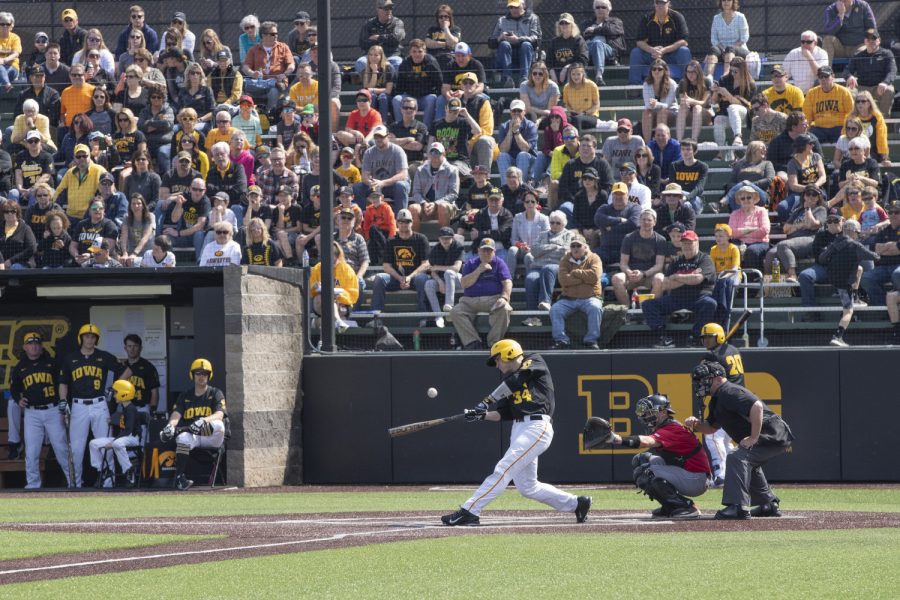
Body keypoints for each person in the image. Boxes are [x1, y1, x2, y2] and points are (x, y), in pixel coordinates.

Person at [441, 339, 591, 525]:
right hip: (519, 429)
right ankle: (576, 504)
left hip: (536, 427)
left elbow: (516, 380)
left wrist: (486, 401)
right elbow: (503, 413)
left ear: (509, 353)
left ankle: (470, 510)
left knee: (503, 468)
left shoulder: (533, 360)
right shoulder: (506, 382)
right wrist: (481, 415)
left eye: (497, 359)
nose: (497, 365)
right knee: (528, 487)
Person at [686, 360, 794, 519]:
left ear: (717, 378)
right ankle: (768, 504)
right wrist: (695, 425)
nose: (700, 384)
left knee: (736, 457)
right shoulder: (717, 399)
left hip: (772, 432)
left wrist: (753, 438)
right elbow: (711, 428)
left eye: (703, 380)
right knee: (747, 462)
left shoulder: (729, 391)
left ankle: (738, 506)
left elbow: (756, 406)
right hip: (770, 432)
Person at [606, 394, 710, 518]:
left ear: (662, 412)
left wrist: (617, 439)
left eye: (650, 412)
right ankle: (669, 505)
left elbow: (647, 442)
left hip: (696, 479)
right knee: (640, 460)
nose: (645, 416)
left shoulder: (673, 428)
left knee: (646, 472)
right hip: (687, 471)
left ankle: (685, 506)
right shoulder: (665, 426)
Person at [59, 324, 132, 488]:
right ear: (81, 338)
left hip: (99, 404)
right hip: (78, 405)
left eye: (93, 337)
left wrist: (114, 388)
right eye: (86, 336)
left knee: (106, 444)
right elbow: (63, 383)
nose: (90, 339)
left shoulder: (103, 356)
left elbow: (127, 371)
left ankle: (108, 482)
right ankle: (75, 484)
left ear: (96, 339)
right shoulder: (71, 358)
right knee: (76, 449)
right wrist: (63, 400)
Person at [10, 331, 73, 489]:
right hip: (32, 413)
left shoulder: (51, 363)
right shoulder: (20, 367)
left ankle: (74, 482)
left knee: (61, 448)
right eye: (30, 343)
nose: (34, 346)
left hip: (52, 410)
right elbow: (14, 388)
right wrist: (18, 399)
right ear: (25, 347)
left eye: (37, 343)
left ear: (41, 346)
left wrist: (62, 406)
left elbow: (62, 383)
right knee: (32, 452)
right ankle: (33, 485)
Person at [642, 229, 717, 347]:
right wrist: (689, 278)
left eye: (689, 243)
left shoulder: (705, 259)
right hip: (676, 298)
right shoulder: (677, 260)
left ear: (697, 243)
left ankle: (695, 336)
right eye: (684, 243)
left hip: (699, 297)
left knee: (710, 304)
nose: (686, 246)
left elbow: (698, 279)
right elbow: (666, 284)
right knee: (648, 304)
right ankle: (663, 337)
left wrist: (677, 277)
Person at [161, 358, 226, 491]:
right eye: (198, 373)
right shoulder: (185, 395)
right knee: (183, 437)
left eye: (204, 373)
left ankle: (181, 430)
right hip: (194, 437)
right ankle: (179, 478)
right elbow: (176, 414)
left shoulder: (215, 393)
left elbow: (220, 414)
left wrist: (203, 420)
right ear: (192, 375)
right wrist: (170, 426)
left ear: (209, 375)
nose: (201, 376)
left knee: (219, 425)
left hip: (211, 438)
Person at [820, 218, 879, 346]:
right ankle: (837, 336)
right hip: (844, 283)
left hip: (832, 278)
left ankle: (856, 297)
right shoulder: (856, 245)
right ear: (852, 232)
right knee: (848, 311)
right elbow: (874, 257)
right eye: (857, 233)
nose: (858, 235)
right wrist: (882, 251)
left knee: (859, 268)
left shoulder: (835, 242)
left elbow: (822, 258)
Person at [698, 322, 743, 486]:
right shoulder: (733, 350)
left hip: (725, 399)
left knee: (713, 436)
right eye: (704, 338)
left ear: (719, 337)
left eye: (710, 338)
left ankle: (721, 475)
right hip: (739, 398)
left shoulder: (713, 356)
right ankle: (733, 472)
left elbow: (704, 376)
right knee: (723, 439)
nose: (706, 342)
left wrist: (707, 360)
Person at [449, 238, 512, 350]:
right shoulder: (471, 263)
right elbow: (464, 284)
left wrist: (504, 297)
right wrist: (479, 270)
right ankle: (473, 342)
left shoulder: (499, 263)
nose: (487, 253)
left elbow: (507, 282)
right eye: (484, 250)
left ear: (494, 251)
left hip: (493, 300)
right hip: (470, 301)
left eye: (489, 250)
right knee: (455, 311)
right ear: (478, 251)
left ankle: (494, 344)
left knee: (505, 309)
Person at [549, 235, 604, 349]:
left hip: (590, 297)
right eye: (572, 246)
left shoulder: (594, 258)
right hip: (569, 299)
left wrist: (575, 272)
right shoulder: (565, 259)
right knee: (555, 309)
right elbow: (563, 280)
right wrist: (584, 278)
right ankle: (561, 340)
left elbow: (594, 276)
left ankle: (591, 340)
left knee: (595, 307)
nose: (575, 248)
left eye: (578, 245)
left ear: (585, 247)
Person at [371, 208, 430, 312]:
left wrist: (409, 277)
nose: (403, 224)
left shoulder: (421, 239)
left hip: (414, 279)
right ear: (397, 223)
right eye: (401, 221)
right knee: (380, 278)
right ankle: (376, 316)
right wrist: (400, 278)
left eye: (407, 221)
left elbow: (426, 264)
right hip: (396, 278)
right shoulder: (391, 241)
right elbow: (386, 266)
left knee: (422, 279)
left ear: (412, 222)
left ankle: (424, 316)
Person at [87, 380, 142, 488]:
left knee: (117, 444)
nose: (114, 395)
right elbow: (122, 423)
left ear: (124, 393)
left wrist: (113, 442)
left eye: (116, 392)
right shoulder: (124, 408)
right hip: (123, 437)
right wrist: (113, 420)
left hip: (133, 437)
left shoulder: (131, 409)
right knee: (93, 443)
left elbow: (129, 430)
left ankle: (128, 471)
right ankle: (103, 470)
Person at [611, 208, 668, 305]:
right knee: (616, 278)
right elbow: (623, 263)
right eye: (643, 219)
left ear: (654, 222)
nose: (646, 222)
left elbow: (659, 265)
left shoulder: (661, 240)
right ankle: (626, 311)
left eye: (649, 220)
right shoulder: (629, 238)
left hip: (650, 275)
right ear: (639, 221)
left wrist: (643, 274)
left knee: (660, 279)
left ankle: (650, 309)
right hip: (631, 274)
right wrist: (629, 273)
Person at [628, 0, 692, 84]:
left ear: (668, 3)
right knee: (635, 52)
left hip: (671, 55)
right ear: (654, 3)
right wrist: (652, 50)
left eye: (663, 3)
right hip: (652, 55)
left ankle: (686, 85)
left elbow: (684, 41)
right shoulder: (646, 18)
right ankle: (634, 87)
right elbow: (639, 41)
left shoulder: (677, 17)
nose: (660, 5)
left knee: (684, 51)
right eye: (658, 2)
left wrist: (664, 50)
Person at [241, 21, 295, 114]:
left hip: (277, 84)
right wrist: (252, 73)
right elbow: (245, 67)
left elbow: (291, 65)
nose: (276, 36)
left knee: (273, 92)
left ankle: (270, 115)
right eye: (273, 34)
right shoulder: (253, 50)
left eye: (276, 33)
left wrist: (284, 74)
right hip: (259, 83)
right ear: (264, 35)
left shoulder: (284, 47)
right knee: (245, 92)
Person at [488, 0, 542, 88]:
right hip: (507, 55)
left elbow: (537, 39)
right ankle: (507, 79)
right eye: (511, 7)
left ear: (523, 5)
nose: (513, 10)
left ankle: (524, 78)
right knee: (504, 44)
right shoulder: (502, 20)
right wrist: (500, 38)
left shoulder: (533, 18)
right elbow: (491, 43)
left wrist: (518, 39)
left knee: (526, 45)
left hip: (526, 55)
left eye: (516, 7)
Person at [711, 56, 755, 162]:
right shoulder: (724, 80)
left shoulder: (750, 84)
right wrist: (715, 91)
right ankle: (721, 152)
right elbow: (714, 102)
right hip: (726, 115)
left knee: (733, 107)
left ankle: (738, 137)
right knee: (718, 120)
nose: (733, 74)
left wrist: (727, 94)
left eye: (736, 71)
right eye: (731, 70)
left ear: (743, 71)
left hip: (743, 116)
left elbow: (744, 105)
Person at [391, 39, 442, 130]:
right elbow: (400, 84)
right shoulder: (405, 63)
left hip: (425, 97)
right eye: (414, 51)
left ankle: (426, 130)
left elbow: (439, 81)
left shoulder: (431, 62)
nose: (417, 54)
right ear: (410, 52)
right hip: (409, 97)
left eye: (420, 51)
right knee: (397, 99)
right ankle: (400, 129)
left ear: (425, 51)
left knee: (432, 98)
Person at [357, 125, 410, 211]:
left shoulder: (398, 151)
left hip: (393, 185)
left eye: (381, 136)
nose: (378, 139)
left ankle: (400, 220)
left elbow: (403, 175)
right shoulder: (369, 152)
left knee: (401, 186)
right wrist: (371, 183)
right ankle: (362, 218)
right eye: (376, 136)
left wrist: (383, 183)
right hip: (376, 185)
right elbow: (364, 175)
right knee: (357, 188)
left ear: (388, 136)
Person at [844, 29, 897, 116]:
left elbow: (892, 71)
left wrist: (885, 82)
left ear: (879, 40)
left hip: (879, 88)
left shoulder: (887, 54)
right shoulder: (858, 55)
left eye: (874, 39)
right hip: (862, 88)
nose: (871, 41)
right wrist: (849, 76)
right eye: (868, 39)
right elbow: (846, 71)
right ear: (865, 41)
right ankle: (854, 121)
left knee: (889, 90)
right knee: (849, 91)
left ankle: (883, 120)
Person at [309, 241, 359, 332]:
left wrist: (339, 296)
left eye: (333, 258)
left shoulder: (347, 270)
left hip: (342, 305)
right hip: (321, 303)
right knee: (324, 297)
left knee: (330, 300)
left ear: (338, 256)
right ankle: (338, 321)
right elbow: (310, 292)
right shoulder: (317, 268)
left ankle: (319, 323)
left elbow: (353, 295)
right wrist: (315, 286)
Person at [409, 142, 459, 230]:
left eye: (437, 153)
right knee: (413, 208)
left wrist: (436, 204)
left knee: (442, 207)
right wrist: (423, 203)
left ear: (444, 154)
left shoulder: (452, 170)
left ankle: (445, 237)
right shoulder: (420, 170)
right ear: (428, 155)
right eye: (432, 153)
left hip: (445, 207)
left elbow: (453, 194)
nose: (434, 155)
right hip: (426, 206)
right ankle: (415, 241)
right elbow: (416, 192)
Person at [860, 204, 900, 307]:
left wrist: (886, 248)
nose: (893, 215)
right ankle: (883, 305)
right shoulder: (884, 230)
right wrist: (892, 246)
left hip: (898, 266)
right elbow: (877, 250)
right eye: (890, 212)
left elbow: (897, 250)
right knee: (865, 278)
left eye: (897, 212)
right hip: (884, 267)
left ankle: (896, 302)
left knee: (897, 274)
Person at [423, 227, 464, 327]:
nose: (445, 240)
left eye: (448, 238)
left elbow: (456, 269)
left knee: (449, 273)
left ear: (452, 238)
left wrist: (438, 267)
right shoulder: (435, 250)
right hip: (443, 281)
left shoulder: (458, 246)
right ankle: (438, 316)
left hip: (460, 281)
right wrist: (440, 282)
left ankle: (449, 306)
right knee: (429, 284)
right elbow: (432, 271)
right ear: (439, 239)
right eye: (443, 238)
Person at [160, 176, 209, 258]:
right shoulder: (185, 197)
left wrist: (178, 233)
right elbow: (174, 219)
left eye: (200, 190)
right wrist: (178, 204)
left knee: (199, 234)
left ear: (205, 190)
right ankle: (168, 265)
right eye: (194, 189)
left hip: (197, 238)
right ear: (190, 189)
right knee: (165, 238)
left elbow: (199, 226)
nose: (197, 192)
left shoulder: (205, 202)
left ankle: (200, 262)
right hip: (183, 236)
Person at [594, 182, 640, 267]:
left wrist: (610, 228)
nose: (618, 197)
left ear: (627, 195)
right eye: (616, 195)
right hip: (606, 250)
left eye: (621, 195)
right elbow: (597, 219)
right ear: (612, 196)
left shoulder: (635, 208)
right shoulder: (605, 208)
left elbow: (633, 224)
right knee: (591, 257)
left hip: (626, 251)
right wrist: (619, 220)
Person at [803, 66, 854, 143]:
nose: (823, 79)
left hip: (838, 127)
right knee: (808, 140)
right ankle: (816, 155)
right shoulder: (811, 93)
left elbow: (851, 113)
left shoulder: (843, 92)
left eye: (826, 76)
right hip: (819, 128)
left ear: (833, 76)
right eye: (821, 77)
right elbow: (807, 115)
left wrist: (845, 129)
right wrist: (806, 131)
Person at [507, 189, 549, 279]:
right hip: (522, 249)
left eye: (532, 201)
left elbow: (546, 241)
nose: (530, 204)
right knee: (512, 250)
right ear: (524, 203)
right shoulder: (517, 217)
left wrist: (532, 249)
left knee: (528, 257)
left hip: (537, 251)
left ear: (537, 203)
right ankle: (509, 279)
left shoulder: (544, 219)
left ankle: (529, 281)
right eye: (527, 201)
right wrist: (520, 245)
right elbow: (513, 239)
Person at [355, 0, 406, 75]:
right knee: (360, 62)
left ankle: (392, 86)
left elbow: (396, 38)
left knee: (398, 63)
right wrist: (385, 41)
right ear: (378, 9)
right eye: (386, 8)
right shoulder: (369, 23)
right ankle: (370, 84)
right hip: (373, 57)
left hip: (391, 55)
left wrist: (378, 38)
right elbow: (362, 43)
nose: (389, 11)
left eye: (391, 8)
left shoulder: (397, 22)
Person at [581, 0, 625, 86]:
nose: (600, 9)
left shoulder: (615, 21)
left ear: (609, 9)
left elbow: (611, 30)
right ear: (594, 10)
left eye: (603, 7)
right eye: (597, 7)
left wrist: (594, 30)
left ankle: (599, 76)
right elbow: (583, 35)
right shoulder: (586, 23)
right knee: (592, 45)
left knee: (597, 43)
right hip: (589, 51)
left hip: (609, 51)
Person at [497, 99, 538, 187]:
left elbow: (526, 149)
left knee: (522, 155)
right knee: (502, 156)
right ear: (510, 112)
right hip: (511, 160)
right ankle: (505, 187)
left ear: (524, 112)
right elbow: (503, 150)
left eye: (519, 111)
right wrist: (510, 131)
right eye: (514, 111)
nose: (516, 113)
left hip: (529, 161)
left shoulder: (531, 126)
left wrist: (516, 132)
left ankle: (522, 186)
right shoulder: (504, 126)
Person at [704, 0, 750, 77]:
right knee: (713, 49)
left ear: (733, 2)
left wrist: (730, 49)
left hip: (739, 49)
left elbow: (744, 38)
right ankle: (709, 77)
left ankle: (726, 76)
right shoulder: (716, 18)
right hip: (721, 50)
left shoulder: (741, 17)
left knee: (730, 48)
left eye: (728, 0)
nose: (726, 2)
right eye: (723, 0)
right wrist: (723, 50)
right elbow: (714, 39)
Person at [674, 60, 712, 142]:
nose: (690, 74)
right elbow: (683, 101)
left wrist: (691, 101)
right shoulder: (682, 83)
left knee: (697, 108)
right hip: (690, 115)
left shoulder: (706, 82)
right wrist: (686, 102)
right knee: (683, 107)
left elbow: (704, 103)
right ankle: (679, 140)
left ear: (698, 72)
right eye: (688, 72)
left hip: (705, 114)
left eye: (693, 72)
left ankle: (694, 140)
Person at [641, 59, 677, 144]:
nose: (656, 71)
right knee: (646, 112)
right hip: (654, 113)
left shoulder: (672, 83)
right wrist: (654, 105)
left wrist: (656, 104)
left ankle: (662, 142)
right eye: (654, 69)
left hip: (671, 113)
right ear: (651, 71)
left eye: (660, 69)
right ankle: (648, 144)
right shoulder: (646, 84)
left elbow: (667, 105)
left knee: (662, 112)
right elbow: (647, 104)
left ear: (665, 71)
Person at [546, 13, 587, 85]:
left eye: (567, 23)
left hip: (573, 72)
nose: (564, 25)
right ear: (559, 26)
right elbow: (548, 61)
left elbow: (582, 60)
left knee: (572, 72)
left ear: (572, 25)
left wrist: (567, 67)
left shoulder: (578, 40)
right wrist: (551, 71)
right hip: (556, 72)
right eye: (561, 23)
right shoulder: (554, 41)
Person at [670, 139, 708, 214]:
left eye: (688, 149)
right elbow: (672, 185)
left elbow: (699, 188)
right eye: (683, 149)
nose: (685, 152)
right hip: (678, 199)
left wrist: (686, 198)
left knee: (686, 204)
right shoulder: (674, 166)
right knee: (686, 204)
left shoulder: (702, 166)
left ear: (695, 151)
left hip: (696, 201)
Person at [0, 200, 37, 269]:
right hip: (1, 264)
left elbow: (32, 248)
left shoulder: (25, 228)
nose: (9, 214)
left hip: (22, 263)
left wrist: (11, 261)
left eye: (13, 211)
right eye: (6, 212)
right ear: (3, 214)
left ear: (17, 213)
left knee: (15, 267)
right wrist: (1, 262)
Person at [0, 11, 22, 92]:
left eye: (8, 24)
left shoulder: (15, 38)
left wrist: (4, 60)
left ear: (11, 26)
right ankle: (7, 85)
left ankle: (6, 84)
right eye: (2, 24)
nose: (5, 26)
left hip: (12, 67)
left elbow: (16, 54)